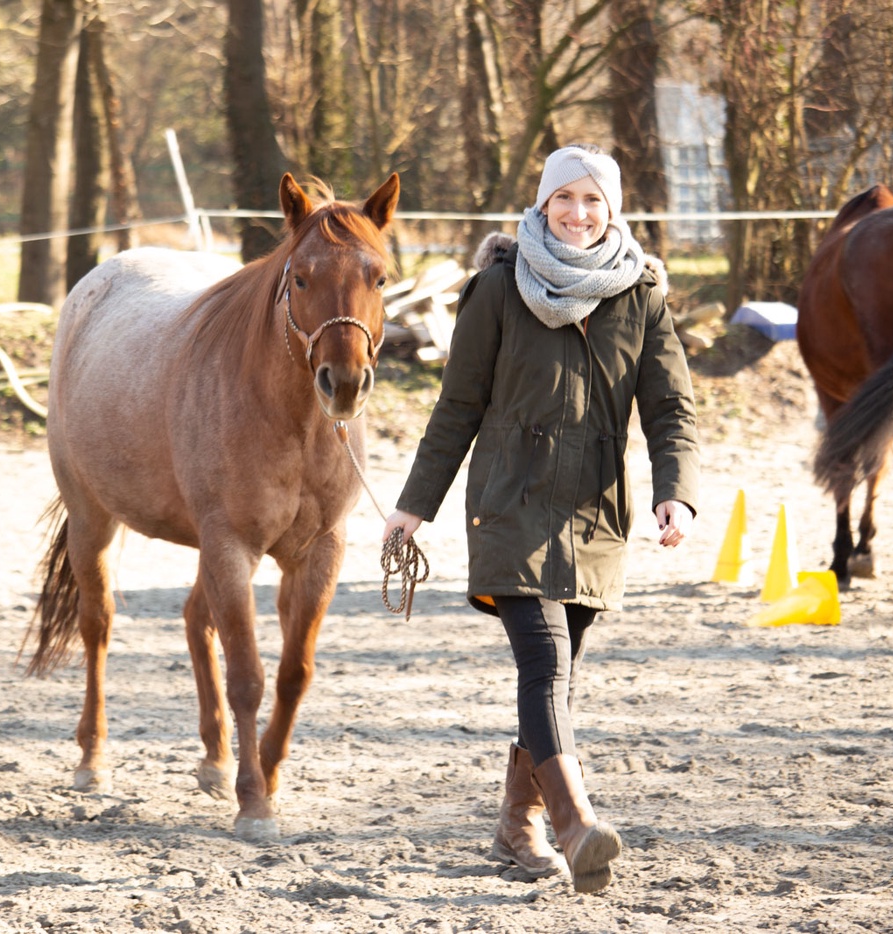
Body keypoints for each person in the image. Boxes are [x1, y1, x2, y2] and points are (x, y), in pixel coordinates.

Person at [383, 144, 700, 894]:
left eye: (594, 201)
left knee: (556, 681)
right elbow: (458, 405)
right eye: (565, 199)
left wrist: (675, 490)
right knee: (545, 663)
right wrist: (412, 506)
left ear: (612, 210)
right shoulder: (496, 288)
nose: (579, 214)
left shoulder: (641, 294)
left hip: (595, 514)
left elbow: (669, 407)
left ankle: (515, 825)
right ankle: (574, 824)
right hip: (510, 503)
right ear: (543, 203)